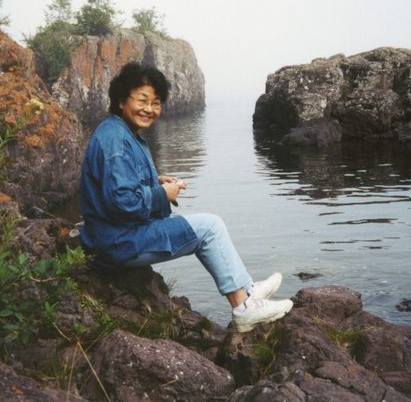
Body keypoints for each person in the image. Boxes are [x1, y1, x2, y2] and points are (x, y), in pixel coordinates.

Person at [79, 62, 293, 332]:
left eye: (156, 103)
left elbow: (114, 184)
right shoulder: (115, 140)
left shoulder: (119, 132)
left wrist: (155, 181)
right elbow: (123, 203)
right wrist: (162, 195)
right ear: (121, 100)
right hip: (117, 242)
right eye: (142, 100)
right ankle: (244, 308)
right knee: (209, 228)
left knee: (207, 227)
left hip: (114, 236)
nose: (149, 109)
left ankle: (247, 289)